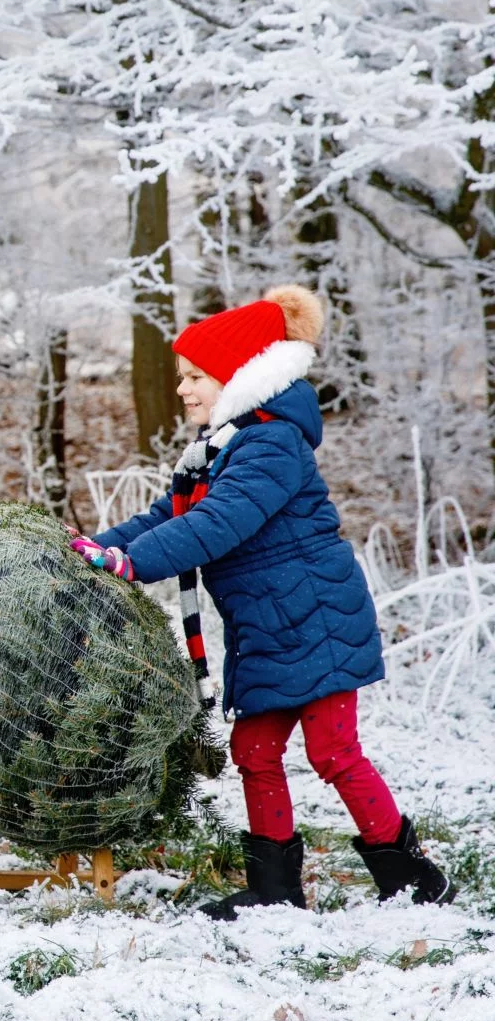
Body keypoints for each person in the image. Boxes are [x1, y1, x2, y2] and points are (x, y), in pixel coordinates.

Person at [72, 285, 452, 919]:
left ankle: (412, 879)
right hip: (270, 629)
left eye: (197, 377)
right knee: (253, 750)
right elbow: (171, 513)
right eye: (182, 377)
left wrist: (132, 565)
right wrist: (97, 546)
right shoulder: (225, 445)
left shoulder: (271, 445)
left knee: (333, 752)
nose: (185, 390)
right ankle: (275, 888)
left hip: (318, 622)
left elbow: (217, 523)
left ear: (240, 377)